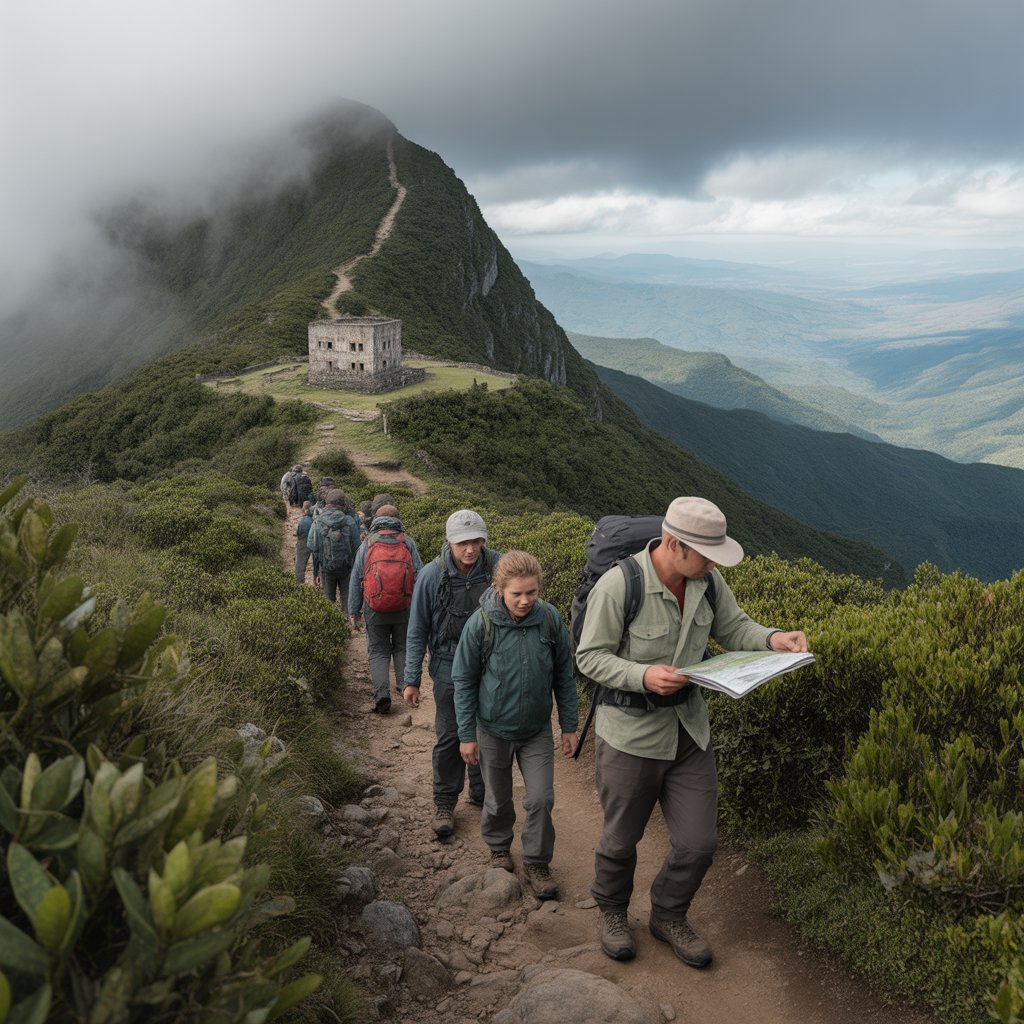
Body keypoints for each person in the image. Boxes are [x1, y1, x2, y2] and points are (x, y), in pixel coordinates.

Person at [575, 496, 808, 969]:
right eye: (705, 555)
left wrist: (772, 639)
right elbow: (590, 657)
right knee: (621, 839)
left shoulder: (708, 581)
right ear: (672, 543)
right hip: (630, 736)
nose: (712, 564)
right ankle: (613, 912)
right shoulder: (621, 585)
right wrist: (643, 676)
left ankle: (668, 914)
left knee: (699, 843)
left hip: (688, 732)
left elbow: (734, 628)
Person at [452, 551, 578, 900]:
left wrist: (569, 726)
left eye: (531, 592)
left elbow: (564, 676)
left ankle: (537, 863)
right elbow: (464, 681)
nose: (525, 600)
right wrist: (466, 735)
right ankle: (498, 846)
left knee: (541, 798)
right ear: (499, 589)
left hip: (536, 730)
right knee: (497, 798)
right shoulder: (480, 624)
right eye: (516, 594)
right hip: (492, 729)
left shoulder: (549, 619)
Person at [403, 510, 501, 839]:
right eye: (462, 543)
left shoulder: (499, 567)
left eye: (476, 541)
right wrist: (411, 679)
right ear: (449, 542)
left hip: (491, 667)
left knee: (488, 731)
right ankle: (444, 803)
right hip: (447, 669)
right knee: (450, 736)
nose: (470, 549)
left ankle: (481, 792)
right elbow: (417, 629)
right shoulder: (432, 576)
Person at [348, 504, 423, 715]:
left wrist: (353, 611)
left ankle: (382, 694)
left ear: (375, 520)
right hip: (404, 607)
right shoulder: (407, 542)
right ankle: (404, 687)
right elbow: (420, 575)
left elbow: (356, 579)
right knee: (402, 647)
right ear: (398, 520)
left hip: (374, 609)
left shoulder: (367, 544)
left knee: (378, 651)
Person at [306, 489, 361, 606]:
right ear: (343, 503)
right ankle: (347, 615)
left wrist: (317, 571)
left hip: (326, 568)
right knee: (346, 599)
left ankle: (331, 616)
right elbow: (357, 547)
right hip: (346, 568)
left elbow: (312, 546)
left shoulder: (317, 521)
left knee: (328, 601)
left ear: (327, 502)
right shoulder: (349, 521)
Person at [295, 500, 313, 584]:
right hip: (314, 540)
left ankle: (299, 582)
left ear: (305, 508)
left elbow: (298, 532)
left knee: (300, 562)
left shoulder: (303, 520)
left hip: (303, 541)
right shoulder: (316, 518)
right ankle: (319, 582)